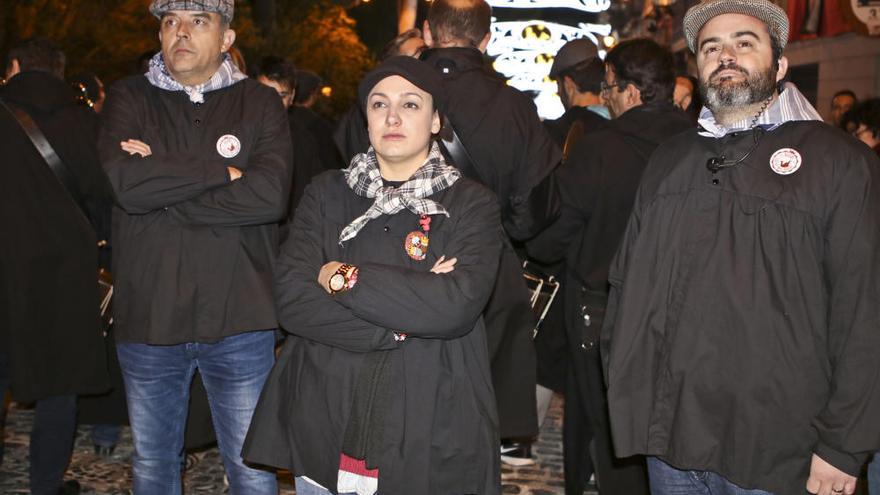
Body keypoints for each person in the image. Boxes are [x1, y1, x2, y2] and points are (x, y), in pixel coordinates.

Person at [600, 0, 880, 494]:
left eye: (744, 43)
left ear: (780, 64)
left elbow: (866, 311)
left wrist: (843, 445)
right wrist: (629, 393)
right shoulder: (671, 160)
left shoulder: (841, 163)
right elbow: (626, 288)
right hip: (672, 443)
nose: (725, 55)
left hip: (781, 452)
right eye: (711, 47)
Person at [243, 56, 503, 495]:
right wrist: (403, 322)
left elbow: (455, 305)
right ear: (366, 120)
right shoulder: (327, 192)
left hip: (428, 418)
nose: (393, 116)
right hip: (326, 409)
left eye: (411, 104)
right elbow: (292, 300)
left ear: (436, 119)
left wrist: (339, 276)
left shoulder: (471, 204)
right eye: (379, 104)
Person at [97, 1, 292, 493]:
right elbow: (126, 188)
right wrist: (218, 173)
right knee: (153, 465)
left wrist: (161, 177)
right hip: (150, 315)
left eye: (198, 21)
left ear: (227, 39)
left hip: (240, 316)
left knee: (251, 469)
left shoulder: (260, 103)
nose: (180, 31)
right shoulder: (127, 98)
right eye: (170, 21)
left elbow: (268, 197)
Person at [529, 38, 690, 495]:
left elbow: (549, 238)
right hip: (680, 307)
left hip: (601, 309)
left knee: (603, 422)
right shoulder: (700, 144)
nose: (606, 96)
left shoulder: (599, 150)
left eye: (611, 87)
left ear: (633, 92)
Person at [421, 0, 562, 464]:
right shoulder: (514, 106)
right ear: (487, 39)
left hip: (400, 259)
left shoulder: (391, 90)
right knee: (484, 395)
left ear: (427, 33)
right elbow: (537, 201)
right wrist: (508, 230)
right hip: (487, 263)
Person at [0, 37, 113, 495]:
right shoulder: (83, 121)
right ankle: (45, 485)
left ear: (12, 67)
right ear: (60, 72)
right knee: (58, 386)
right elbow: (104, 199)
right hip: (64, 273)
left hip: (2, 269)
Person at [254, 55, 324, 234]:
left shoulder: (304, 141)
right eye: (265, 93)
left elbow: (311, 198)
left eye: (281, 95)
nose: (273, 103)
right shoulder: (237, 135)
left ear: (292, 96)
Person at [544, 38, 609, 149]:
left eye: (558, 85)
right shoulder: (620, 124)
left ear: (568, 85)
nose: (558, 93)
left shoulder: (552, 134)